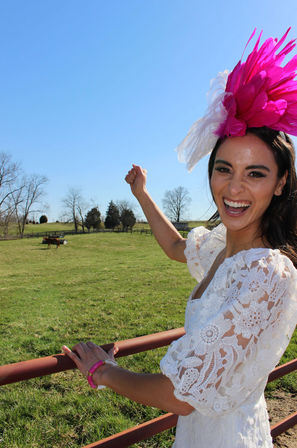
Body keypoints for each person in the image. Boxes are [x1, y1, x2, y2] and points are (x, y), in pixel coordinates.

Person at [62, 29, 297, 447]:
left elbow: (181, 395)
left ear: (280, 183)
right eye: (224, 169)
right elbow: (175, 247)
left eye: (255, 174)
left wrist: (103, 371)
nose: (234, 188)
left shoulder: (267, 273)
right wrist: (142, 194)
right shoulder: (226, 248)